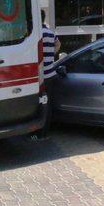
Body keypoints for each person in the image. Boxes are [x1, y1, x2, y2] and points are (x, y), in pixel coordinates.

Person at [35, 10, 61, 138]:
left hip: (41, 76)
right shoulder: (51, 32)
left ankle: (40, 132)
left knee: (40, 104)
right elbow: (58, 44)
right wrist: (52, 54)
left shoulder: (36, 33)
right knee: (47, 103)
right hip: (51, 74)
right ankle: (45, 131)